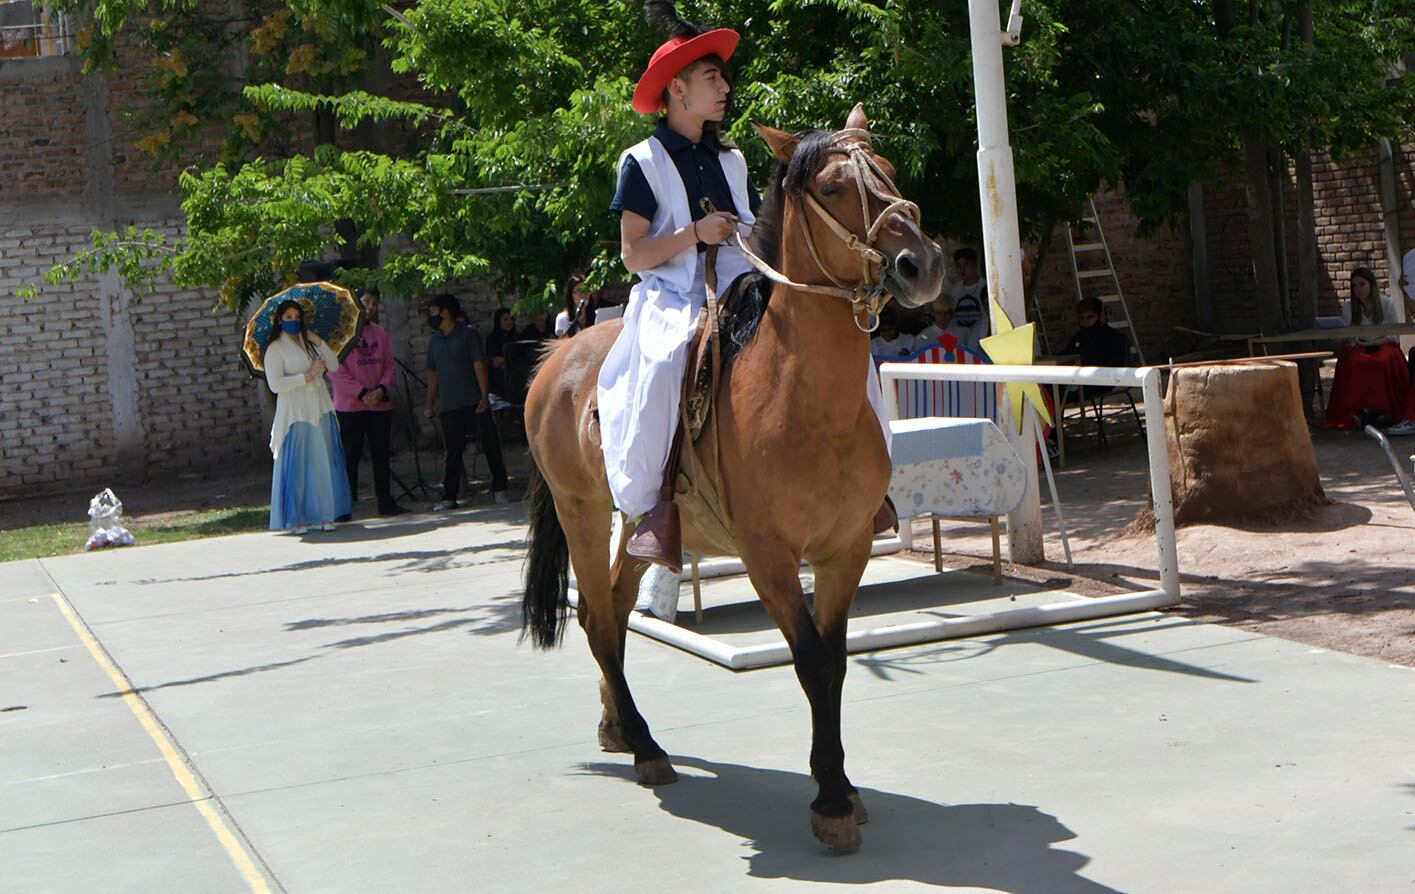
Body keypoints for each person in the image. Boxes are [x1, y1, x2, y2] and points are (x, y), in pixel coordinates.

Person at [599, 2, 893, 569]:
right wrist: (695, 233)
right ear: (678, 89)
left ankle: (870, 491)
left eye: (722, 77)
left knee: (851, 348)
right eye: (713, 77)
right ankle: (652, 507)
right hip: (673, 293)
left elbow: (760, 233)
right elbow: (633, 255)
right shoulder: (641, 162)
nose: (724, 86)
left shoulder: (731, 158)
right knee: (663, 362)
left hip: (743, 281)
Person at [263, 299, 352, 534]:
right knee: (299, 467)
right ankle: (298, 518)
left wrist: (318, 341)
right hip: (295, 413)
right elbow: (275, 384)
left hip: (320, 407)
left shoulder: (310, 343)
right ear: (280, 321)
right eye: (288, 317)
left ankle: (326, 515)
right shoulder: (275, 349)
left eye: (296, 317)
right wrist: (307, 375)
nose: (293, 322)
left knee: (322, 462)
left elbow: (333, 366)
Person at [424, 293, 511, 507]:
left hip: (474, 401)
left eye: (434, 311)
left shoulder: (467, 334)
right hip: (449, 405)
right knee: (452, 451)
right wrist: (429, 404)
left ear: (445, 312)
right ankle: (449, 496)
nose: (431, 316)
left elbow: (478, 364)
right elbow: (433, 374)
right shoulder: (434, 341)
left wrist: (483, 394)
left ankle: (500, 488)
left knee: (490, 445)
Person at [328, 288, 407, 519]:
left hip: (379, 406)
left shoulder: (381, 334)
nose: (370, 307)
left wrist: (381, 389)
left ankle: (385, 501)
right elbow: (335, 372)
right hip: (350, 408)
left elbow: (390, 367)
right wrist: (362, 393)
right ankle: (345, 506)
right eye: (366, 301)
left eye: (374, 303)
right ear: (355, 303)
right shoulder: (339, 334)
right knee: (349, 457)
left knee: (381, 455)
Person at [1324, 267, 1410, 431]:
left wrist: (1371, 343)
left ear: (1371, 285)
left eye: (1362, 284)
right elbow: (1349, 333)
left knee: (1383, 360)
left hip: (1384, 345)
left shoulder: (1387, 303)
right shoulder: (1349, 308)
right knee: (1355, 361)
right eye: (1354, 286)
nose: (1358, 289)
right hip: (1359, 346)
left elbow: (1393, 336)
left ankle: (1382, 408)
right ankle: (1362, 409)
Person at [1060, 297, 1131, 395]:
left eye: (1090, 317)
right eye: (1082, 318)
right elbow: (1064, 356)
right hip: (1079, 382)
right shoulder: (1079, 337)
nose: (1086, 322)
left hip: (1101, 383)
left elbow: (1113, 368)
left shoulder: (1113, 338)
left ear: (1100, 316)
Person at [948, 246, 989, 353]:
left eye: (966, 265)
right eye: (959, 266)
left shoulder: (985, 288)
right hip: (959, 343)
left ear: (975, 265)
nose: (962, 270)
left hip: (981, 340)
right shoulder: (954, 291)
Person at [485, 307, 516, 398]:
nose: (509, 322)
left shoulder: (516, 337)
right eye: (505, 319)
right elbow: (496, 362)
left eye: (511, 319)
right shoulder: (492, 339)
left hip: (515, 381)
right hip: (499, 382)